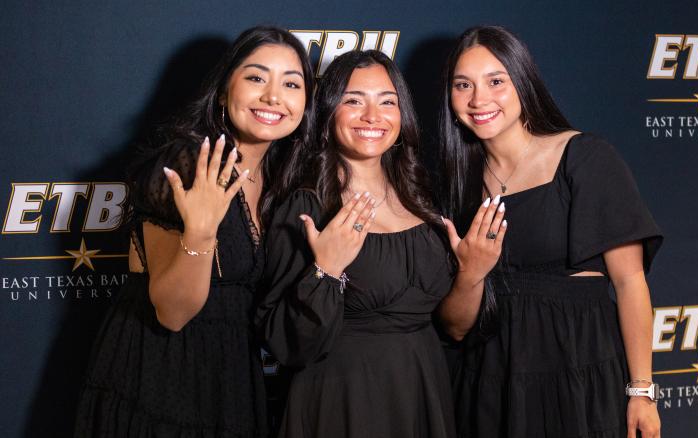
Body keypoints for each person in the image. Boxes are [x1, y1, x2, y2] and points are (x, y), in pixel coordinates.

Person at [74, 26, 314, 437]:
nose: (274, 96)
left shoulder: (280, 180)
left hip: (232, 376)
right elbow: (172, 313)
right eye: (256, 78)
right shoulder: (186, 161)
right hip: (161, 375)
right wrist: (201, 235)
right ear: (223, 92)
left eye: (291, 83)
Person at [255, 49, 506, 438]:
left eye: (387, 102)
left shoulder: (422, 199)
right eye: (354, 101)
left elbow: (454, 330)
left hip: (423, 391)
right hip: (340, 401)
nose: (373, 117)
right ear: (327, 113)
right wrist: (326, 271)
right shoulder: (307, 206)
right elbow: (289, 346)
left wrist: (471, 274)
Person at [437, 26, 663, 438]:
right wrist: (470, 273)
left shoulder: (584, 157)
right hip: (490, 385)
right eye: (462, 85)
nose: (478, 99)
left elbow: (630, 282)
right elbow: (454, 328)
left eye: (496, 81)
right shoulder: (457, 186)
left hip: (579, 374)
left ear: (523, 82)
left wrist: (641, 391)